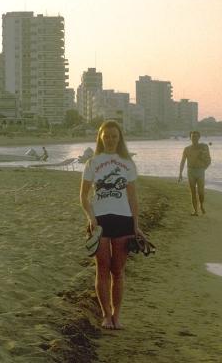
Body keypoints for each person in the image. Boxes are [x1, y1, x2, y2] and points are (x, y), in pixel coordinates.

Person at [79, 120, 144, 330]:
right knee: (102, 268)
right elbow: (83, 195)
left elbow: (133, 198)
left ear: (120, 138)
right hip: (100, 221)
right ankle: (106, 315)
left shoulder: (128, 163)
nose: (110, 140)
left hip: (123, 220)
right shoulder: (93, 163)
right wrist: (91, 217)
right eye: (106, 136)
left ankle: (117, 315)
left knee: (118, 270)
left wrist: (136, 225)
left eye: (114, 136)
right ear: (100, 138)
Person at [178, 130, 211, 216]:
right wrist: (180, 173)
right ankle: (195, 211)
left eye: (196, 137)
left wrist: (204, 167)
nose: (194, 138)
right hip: (191, 171)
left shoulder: (204, 147)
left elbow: (209, 160)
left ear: (199, 137)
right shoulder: (187, 149)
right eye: (192, 137)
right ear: (190, 138)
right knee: (193, 192)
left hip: (200, 170)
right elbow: (183, 161)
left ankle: (201, 205)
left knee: (201, 192)